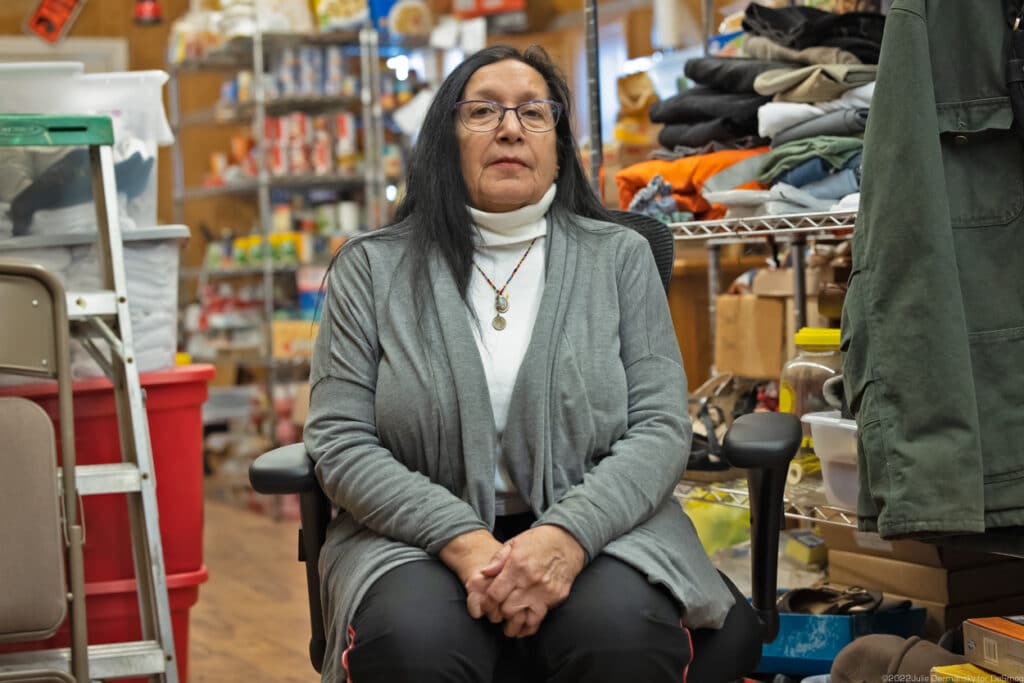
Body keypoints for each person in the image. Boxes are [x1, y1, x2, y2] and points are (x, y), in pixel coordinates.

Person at [304, 44, 760, 683]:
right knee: (414, 645)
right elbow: (340, 440)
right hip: (410, 539)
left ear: (558, 144)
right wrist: (465, 543)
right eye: (483, 111)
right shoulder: (372, 268)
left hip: (604, 530)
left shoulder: (619, 258)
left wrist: (563, 540)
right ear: (445, 140)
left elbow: (659, 427)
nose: (511, 128)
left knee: (619, 637)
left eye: (534, 113)